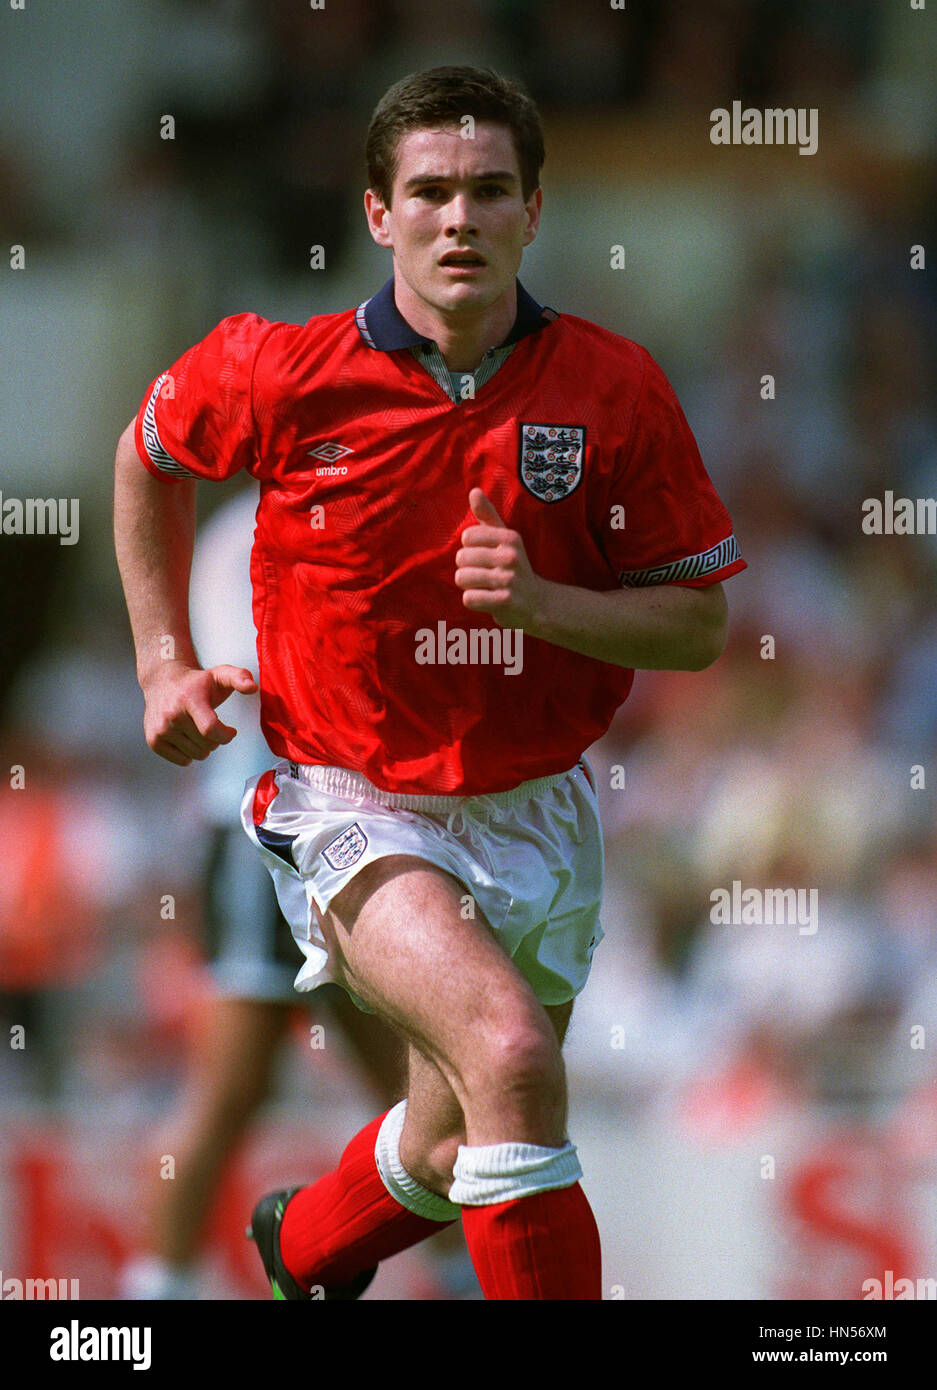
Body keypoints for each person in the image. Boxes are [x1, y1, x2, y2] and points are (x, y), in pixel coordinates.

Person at [114, 65, 746, 1301]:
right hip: (353, 803)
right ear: (376, 214)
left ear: (533, 213)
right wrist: (159, 664)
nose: (460, 217)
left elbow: (700, 626)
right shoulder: (284, 373)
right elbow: (148, 453)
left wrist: (544, 604)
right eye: (432, 192)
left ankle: (297, 1250)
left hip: (539, 808)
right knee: (510, 1059)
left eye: (490, 191)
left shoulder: (612, 388)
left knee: (456, 1137)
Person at [118, 487, 409, 1300]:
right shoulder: (241, 533)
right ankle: (155, 1298)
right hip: (267, 833)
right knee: (231, 1089)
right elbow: (254, 683)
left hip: (364, 834)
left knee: (424, 1098)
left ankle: (433, 1269)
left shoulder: (364, 503)